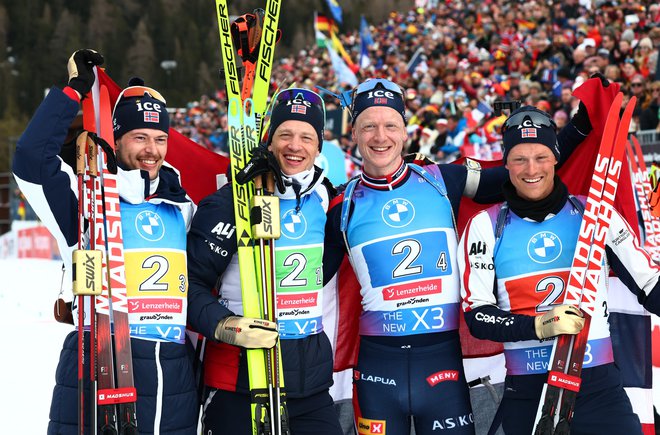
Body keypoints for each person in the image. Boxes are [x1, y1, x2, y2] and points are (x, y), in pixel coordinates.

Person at [322, 78, 595, 435]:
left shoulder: (442, 179)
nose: (380, 136)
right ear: (353, 134)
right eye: (368, 126)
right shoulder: (340, 204)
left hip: (443, 368)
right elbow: (312, 279)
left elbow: (522, 171)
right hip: (377, 370)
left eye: (390, 125)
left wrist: (580, 128)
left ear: (404, 131)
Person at [12, 49, 199, 434]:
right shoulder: (86, 198)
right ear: (117, 138)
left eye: (160, 138)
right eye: (140, 137)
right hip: (99, 362)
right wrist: (71, 92)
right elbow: (31, 161)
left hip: (173, 372)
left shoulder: (184, 206)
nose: (152, 150)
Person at [457, 105, 660, 434]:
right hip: (529, 392)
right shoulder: (486, 225)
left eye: (540, 156)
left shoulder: (593, 214)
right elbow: (477, 316)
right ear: (506, 163)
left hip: (598, 387)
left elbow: (649, 285)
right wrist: (540, 325)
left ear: (555, 157)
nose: (530, 168)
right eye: (519, 158)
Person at [186, 87, 343, 434]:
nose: (295, 145)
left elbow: (321, 272)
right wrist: (226, 325)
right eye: (285, 134)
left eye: (306, 136)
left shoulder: (325, 200)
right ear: (269, 141)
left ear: (319, 146)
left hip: (310, 387)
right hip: (238, 383)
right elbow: (188, 286)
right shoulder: (230, 203)